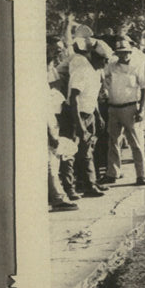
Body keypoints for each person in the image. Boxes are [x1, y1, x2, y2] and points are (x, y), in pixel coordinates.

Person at [102, 35, 145, 186]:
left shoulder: (137, 67)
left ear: (130, 52)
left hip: (130, 108)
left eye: (126, 52)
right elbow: (105, 82)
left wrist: (142, 110)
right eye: (120, 52)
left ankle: (141, 175)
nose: (123, 55)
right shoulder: (111, 66)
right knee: (113, 142)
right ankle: (113, 173)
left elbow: (144, 90)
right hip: (113, 107)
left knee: (136, 143)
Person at [63, 43, 110, 198]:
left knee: (88, 150)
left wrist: (97, 116)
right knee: (74, 152)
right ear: (96, 58)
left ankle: (90, 183)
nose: (106, 64)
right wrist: (79, 125)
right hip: (77, 115)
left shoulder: (96, 72)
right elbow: (74, 98)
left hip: (89, 114)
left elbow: (92, 97)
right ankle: (75, 187)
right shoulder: (82, 71)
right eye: (104, 60)